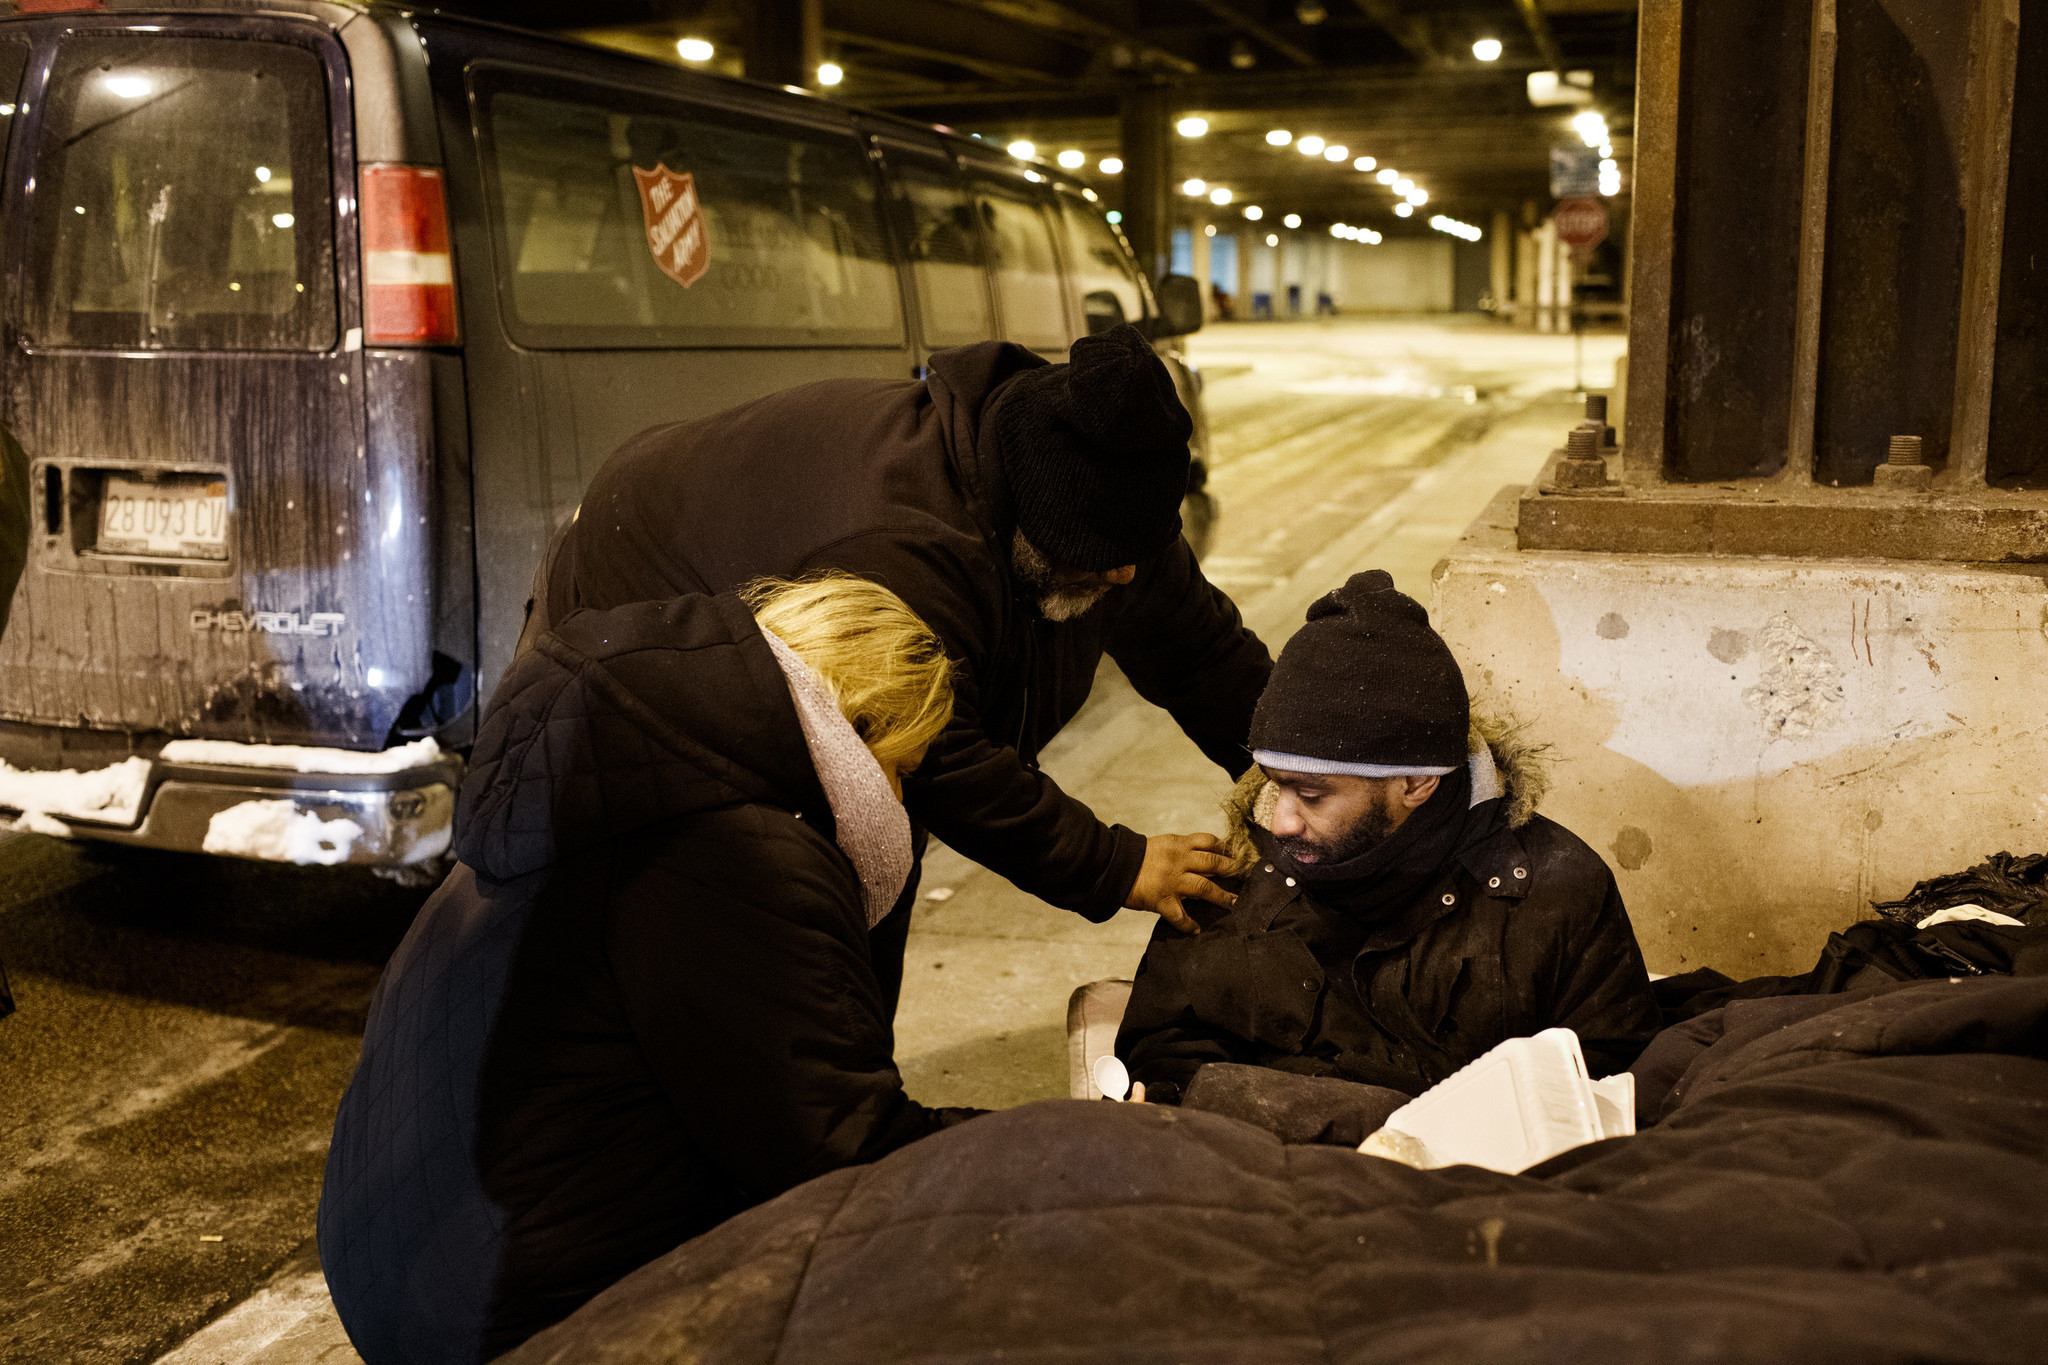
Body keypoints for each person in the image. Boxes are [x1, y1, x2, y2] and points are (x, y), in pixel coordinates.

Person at [320, 574, 984, 1365]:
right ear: (860, 725)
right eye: (902, 769)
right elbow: (850, 1159)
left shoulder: (604, 782)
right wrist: (1060, 1149)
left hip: (398, 1278)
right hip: (519, 1324)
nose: (901, 804)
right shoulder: (741, 856)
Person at [526, 324, 1274, 1003]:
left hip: (808, 620)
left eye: (1138, 554)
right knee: (792, 905)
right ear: (1034, 526)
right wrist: (1116, 863)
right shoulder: (903, 549)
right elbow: (945, 758)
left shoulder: (1104, 510)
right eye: (1103, 562)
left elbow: (1201, 651)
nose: (1124, 580)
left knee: (870, 862)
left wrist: (1300, 761)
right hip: (634, 602)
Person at [1115, 570, 1661, 1137]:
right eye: (1274, 783)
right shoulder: (1244, 878)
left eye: (1311, 793)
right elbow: (1160, 1049)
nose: (1279, 820)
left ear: (1416, 785)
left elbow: (1609, 1093)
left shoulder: (1555, 890)